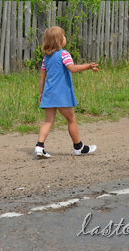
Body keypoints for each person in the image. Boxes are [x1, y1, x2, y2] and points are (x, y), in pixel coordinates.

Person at [34, 26, 99, 158]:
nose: (65, 38)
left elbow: (42, 77)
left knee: (48, 121)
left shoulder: (46, 58)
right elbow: (72, 68)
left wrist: (41, 93)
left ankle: (39, 147)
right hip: (62, 95)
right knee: (71, 119)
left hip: (49, 93)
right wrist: (88, 66)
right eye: (63, 36)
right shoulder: (64, 54)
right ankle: (78, 147)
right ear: (59, 41)